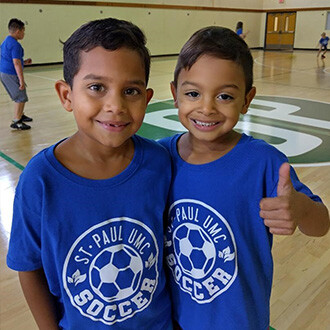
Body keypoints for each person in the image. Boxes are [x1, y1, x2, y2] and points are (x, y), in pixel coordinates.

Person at [6, 18, 173, 329]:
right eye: (97, 87)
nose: (116, 105)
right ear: (66, 95)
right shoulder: (40, 179)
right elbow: (28, 267)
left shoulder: (160, 163)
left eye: (131, 91)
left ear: (147, 100)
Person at [159, 26, 330, 330]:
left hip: (239, 322)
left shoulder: (263, 162)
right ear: (175, 94)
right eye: (193, 93)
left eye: (224, 96)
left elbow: (321, 224)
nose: (207, 107)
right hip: (173, 319)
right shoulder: (159, 158)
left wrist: (300, 208)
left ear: (247, 100)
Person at [0, 18, 33, 130]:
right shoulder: (15, 45)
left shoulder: (6, 41)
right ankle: (17, 121)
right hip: (11, 74)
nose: (24, 33)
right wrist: (21, 80)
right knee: (21, 97)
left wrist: (24, 62)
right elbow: (16, 63)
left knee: (20, 96)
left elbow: (11, 59)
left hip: (4, 73)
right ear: (18, 31)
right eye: (23, 31)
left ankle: (20, 115)